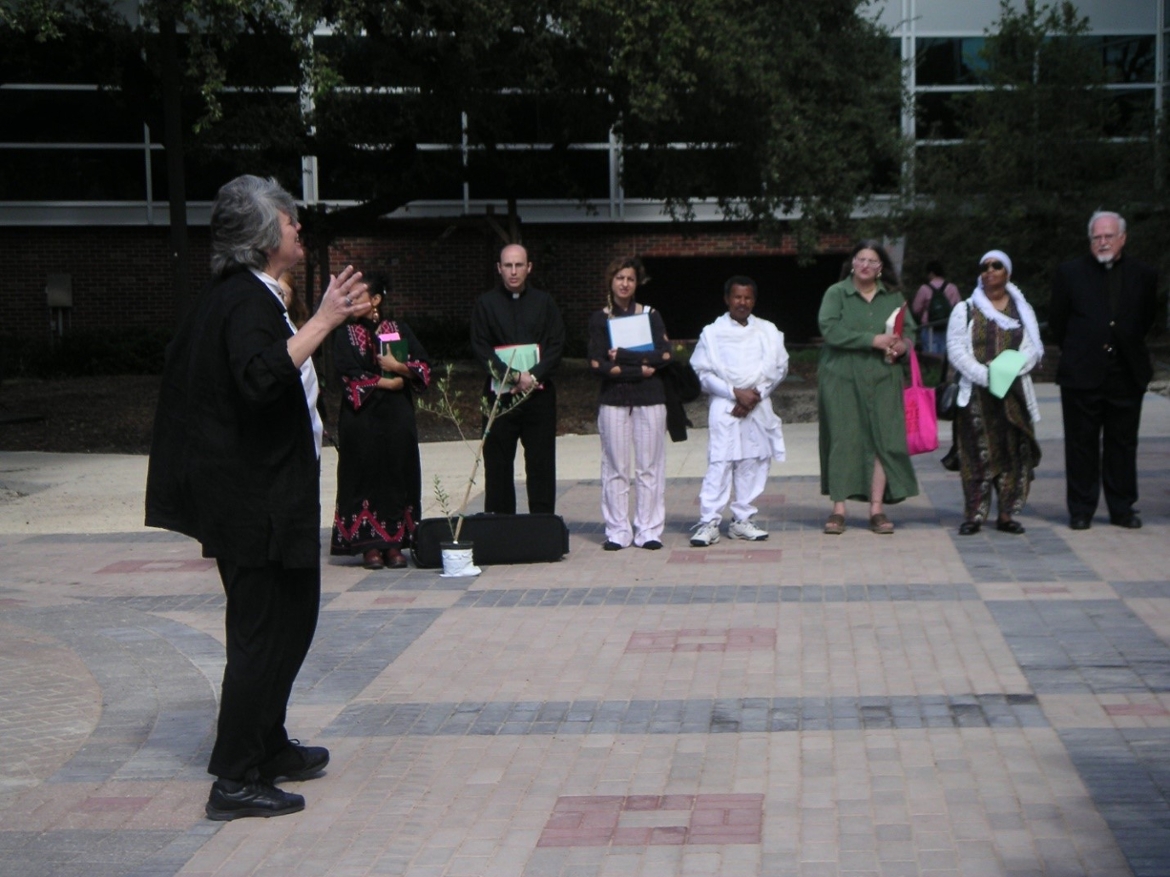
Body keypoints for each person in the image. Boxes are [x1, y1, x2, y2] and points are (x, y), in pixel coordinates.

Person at [145, 175, 370, 820]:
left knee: (292, 622)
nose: (300, 228)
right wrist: (324, 321)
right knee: (261, 636)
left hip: (269, 498)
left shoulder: (252, 296)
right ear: (267, 234)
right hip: (253, 505)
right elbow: (259, 377)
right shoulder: (244, 300)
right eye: (291, 220)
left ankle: (267, 744)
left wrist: (315, 317)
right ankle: (235, 776)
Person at [1050, 211, 1159, 530]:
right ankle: (1081, 509)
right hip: (1082, 372)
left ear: (1122, 238)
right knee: (1080, 443)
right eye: (1097, 237)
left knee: (1123, 443)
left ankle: (1122, 508)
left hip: (1126, 372)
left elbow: (1146, 318)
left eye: (1108, 236)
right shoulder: (1069, 273)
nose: (1102, 242)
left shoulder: (1144, 274)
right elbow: (1059, 321)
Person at [331, 272, 431, 570]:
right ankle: (368, 546)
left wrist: (399, 367)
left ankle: (394, 543)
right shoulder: (344, 334)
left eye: (358, 298)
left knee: (396, 473)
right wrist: (384, 382)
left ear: (376, 300)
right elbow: (346, 373)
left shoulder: (399, 329)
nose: (352, 304)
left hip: (396, 418)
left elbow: (423, 364)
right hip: (361, 420)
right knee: (364, 474)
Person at [818, 241, 918, 535]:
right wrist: (871, 340)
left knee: (884, 441)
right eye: (860, 259)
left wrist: (902, 346)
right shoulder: (836, 293)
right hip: (842, 377)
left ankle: (876, 508)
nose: (865, 265)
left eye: (872, 261)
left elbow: (909, 331)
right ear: (852, 263)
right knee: (842, 438)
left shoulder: (894, 297)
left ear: (881, 268)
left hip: (884, 377)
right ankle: (838, 508)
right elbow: (830, 329)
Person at [947, 250, 1043, 535]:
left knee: (1014, 451)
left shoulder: (1023, 310)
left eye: (996, 265)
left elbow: (1032, 348)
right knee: (976, 453)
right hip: (976, 392)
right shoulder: (965, 309)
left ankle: (1006, 514)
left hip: (1014, 391)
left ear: (1008, 273)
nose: (989, 270)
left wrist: (1008, 372)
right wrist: (986, 376)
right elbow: (956, 349)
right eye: (984, 266)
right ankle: (974, 514)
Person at [688, 276, 789, 546]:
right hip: (725, 405)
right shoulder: (712, 332)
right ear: (727, 299)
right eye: (737, 297)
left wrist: (755, 396)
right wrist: (735, 393)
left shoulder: (768, 331)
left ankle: (742, 519)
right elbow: (702, 372)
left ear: (754, 300)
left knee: (752, 462)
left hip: (757, 405)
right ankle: (709, 522)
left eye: (747, 298)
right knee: (720, 462)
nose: (742, 302)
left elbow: (779, 367)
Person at [469, 242, 565, 515]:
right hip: (500, 398)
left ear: (529, 268)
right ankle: (501, 528)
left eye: (519, 265)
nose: (513, 271)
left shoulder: (544, 303)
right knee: (498, 465)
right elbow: (480, 347)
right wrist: (512, 377)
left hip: (539, 395)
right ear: (499, 269)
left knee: (541, 463)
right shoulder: (485, 304)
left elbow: (556, 345)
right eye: (508, 266)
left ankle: (542, 525)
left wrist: (532, 376)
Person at [587, 257, 672, 550]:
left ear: (637, 283)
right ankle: (618, 531)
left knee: (649, 466)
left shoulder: (651, 315)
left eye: (631, 279)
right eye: (620, 278)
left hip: (650, 399)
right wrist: (640, 367)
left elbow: (664, 356)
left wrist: (622, 356)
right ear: (611, 281)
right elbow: (597, 362)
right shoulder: (601, 319)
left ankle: (648, 529)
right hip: (614, 400)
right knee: (616, 466)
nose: (625, 284)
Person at [910, 261, 961, 356]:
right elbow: (958, 308)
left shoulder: (924, 289)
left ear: (931, 273)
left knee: (930, 356)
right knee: (947, 355)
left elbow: (916, 308)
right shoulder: (952, 288)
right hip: (948, 327)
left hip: (929, 328)